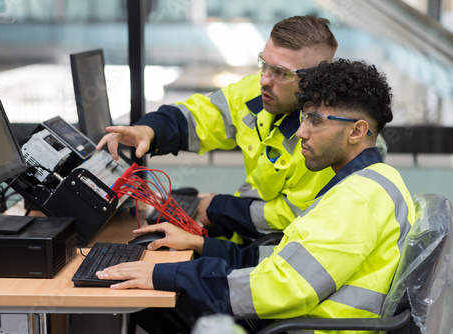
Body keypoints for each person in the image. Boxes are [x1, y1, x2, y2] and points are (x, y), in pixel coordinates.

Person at [97, 59, 416, 333]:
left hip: (305, 326)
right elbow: (285, 264)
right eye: (304, 118)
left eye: (315, 121)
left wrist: (167, 273)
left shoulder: (356, 200)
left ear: (357, 131)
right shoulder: (373, 182)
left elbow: (279, 288)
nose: (301, 132)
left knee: (154, 303)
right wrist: (201, 246)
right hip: (304, 316)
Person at [97, 15, 340, 241]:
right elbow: (203, 116)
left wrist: (219, 208)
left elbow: (295, 217)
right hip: (249, 233)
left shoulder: (326, 139)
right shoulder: (258, 91)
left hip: (277, 253)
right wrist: (149, 130)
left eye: (280, 72)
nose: (264, 79)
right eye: (264, 64)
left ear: (314, 79)